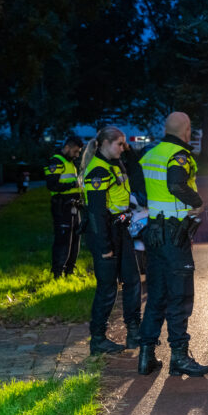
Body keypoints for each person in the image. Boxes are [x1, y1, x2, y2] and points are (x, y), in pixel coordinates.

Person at [137, 111, 208, 377]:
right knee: (180, 295)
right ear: (187, 130)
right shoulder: (179, 155)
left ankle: (146, 355)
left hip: (154, 232)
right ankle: (179, 357)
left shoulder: (149, 154)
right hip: (174, 234)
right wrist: (198, 203)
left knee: (156, 294)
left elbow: (138, 189)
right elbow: (176, 184)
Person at [82, 126, 142, 355]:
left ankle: (134, 332)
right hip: (104, 234)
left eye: (123, 144)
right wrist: (105, 247)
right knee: (107, 289)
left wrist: (128, 151)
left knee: (132, 281)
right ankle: (97, 339)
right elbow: (96, 215)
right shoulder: (98, 171)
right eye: (119, 143)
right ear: (105, 143)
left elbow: (136, 174)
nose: (122, 147)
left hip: (121, 231)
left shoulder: (115, 164)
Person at [44, 135, 84, 279]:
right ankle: (57, 272)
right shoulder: (56, 161)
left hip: (73, 206)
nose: (77, 154)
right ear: (67, 147)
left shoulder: (70, 163)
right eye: (75, 151)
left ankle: (69, 270)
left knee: (75, 239)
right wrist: (73, 185)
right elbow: (52, 185)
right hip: (62, 206)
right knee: (63, 239)